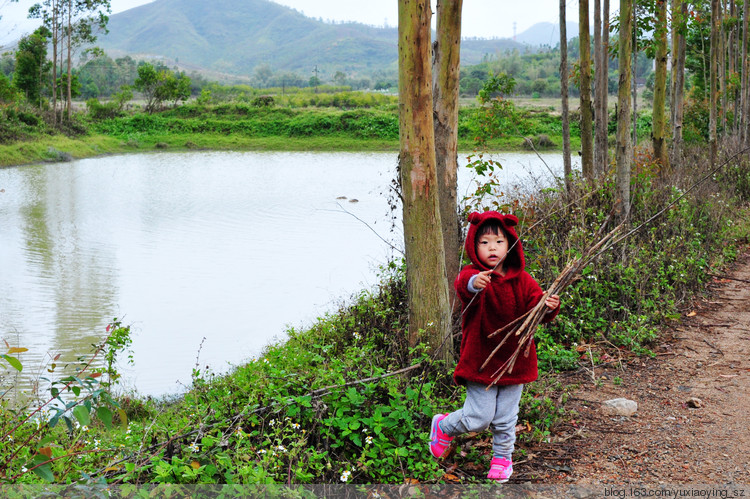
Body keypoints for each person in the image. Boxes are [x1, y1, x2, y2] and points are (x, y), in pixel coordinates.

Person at [429, 210, 560, 483]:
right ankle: (444, 425)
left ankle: (502, 458)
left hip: (515, 359)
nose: (492, 248)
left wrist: (548, 307)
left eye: (499, 242)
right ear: (474, 246)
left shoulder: (522, 280)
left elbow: (537, 307)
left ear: (510, 245)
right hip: (481, 360)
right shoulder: (473, 274)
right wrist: (475, 283)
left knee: (505, 418)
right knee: (479, 417)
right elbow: (464, 286)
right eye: (484, 242)